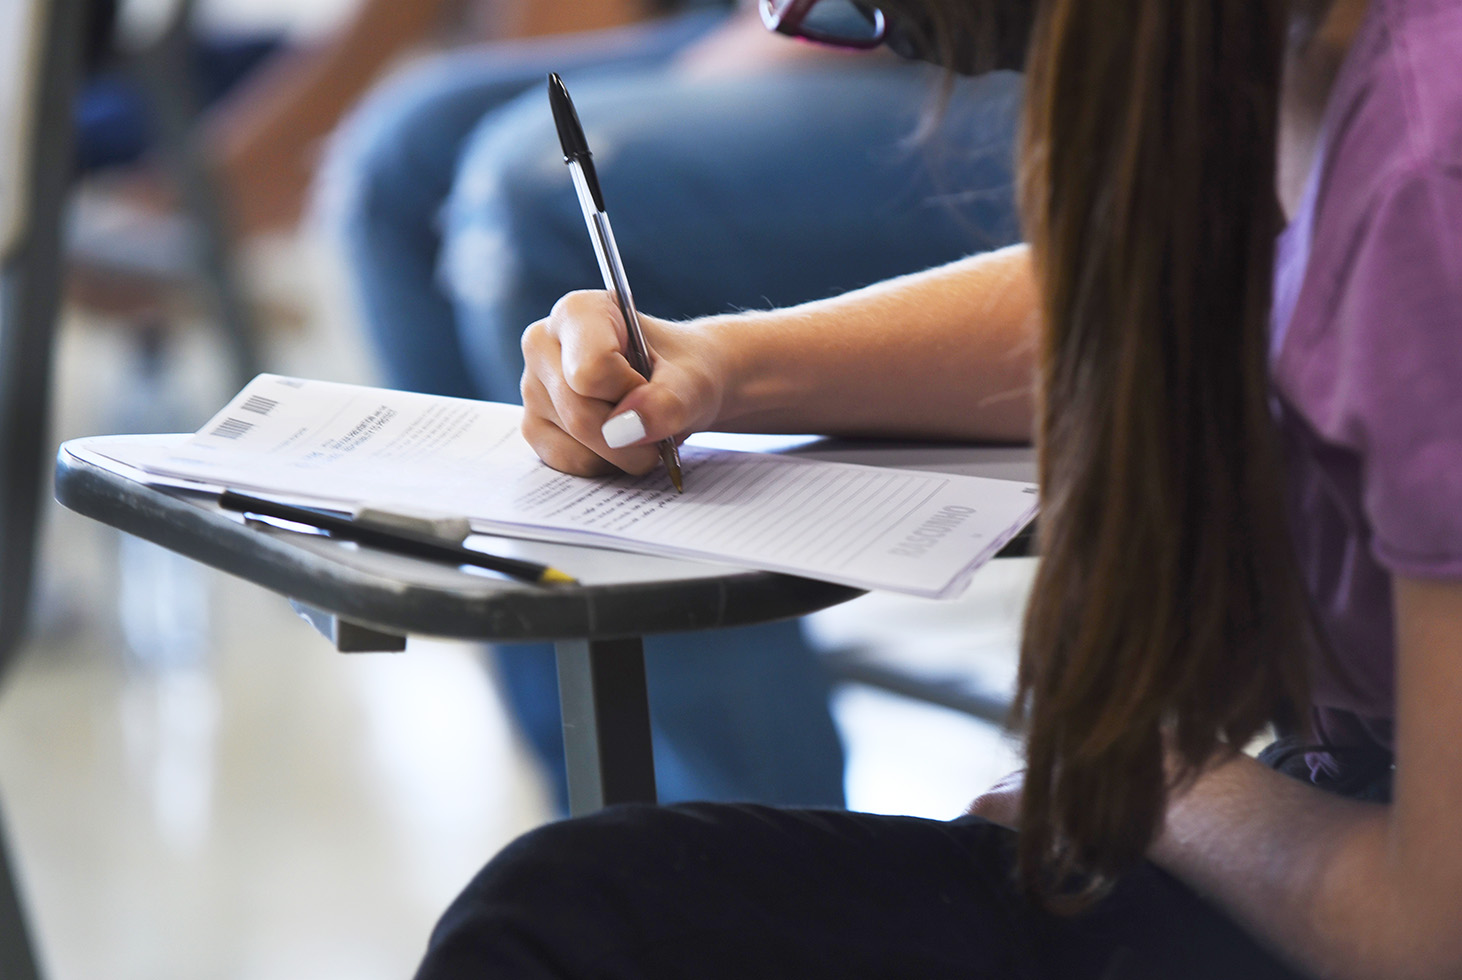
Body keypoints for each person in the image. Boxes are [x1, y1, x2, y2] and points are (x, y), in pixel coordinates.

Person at [408, 0, 1462, 976]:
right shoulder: (1303, 57)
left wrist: (1163, 785)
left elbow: (1432, 927)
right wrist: (720, 368)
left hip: (1386, 888)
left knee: (568, 928)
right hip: (1344, 805)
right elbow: (1203, 290)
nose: (805, 20)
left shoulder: (1424, 173)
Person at [321, 0, 1025, 809]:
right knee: (402, 153)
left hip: (1025, 52)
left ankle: (743, 865)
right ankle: (598, 823)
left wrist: (726, 365)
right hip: (804, 23)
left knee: (529, 199)